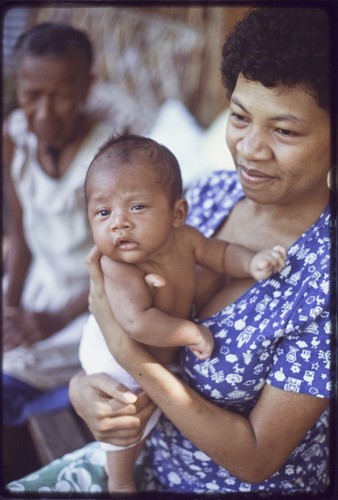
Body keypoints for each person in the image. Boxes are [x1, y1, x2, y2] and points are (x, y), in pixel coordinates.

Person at [5, 6, 333, 496]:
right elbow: (108, 312)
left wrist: (131, 355)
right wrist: (85, 393)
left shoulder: (325, 279)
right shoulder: (204, 194)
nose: (250, 149)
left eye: (284, 131)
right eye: (240, 117)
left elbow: (258, 457)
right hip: (147, 461)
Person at [79, 133, 286, 493]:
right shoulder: (119, 267)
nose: (119, 223)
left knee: (147, 408)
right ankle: (121, 478)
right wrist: (189, 333)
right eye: (103, 212)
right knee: (127, 420)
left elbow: (219, 254)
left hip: (155, 351)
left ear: (177, 213)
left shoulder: (187, 239)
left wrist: (251, 262)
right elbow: (135, 323)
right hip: (112, 354)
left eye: (137, 207)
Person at [2, 22, 112, 481]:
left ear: (87, 87)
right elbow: (22, 232)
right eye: (31, 94)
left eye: (61, 95)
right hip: (35, 283)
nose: (43, 111)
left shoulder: (108, 154)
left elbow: (114, 259)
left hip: (89, 303)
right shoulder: (13, 135)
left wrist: (50, 321)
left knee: (11, 377)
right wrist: (10, 307)